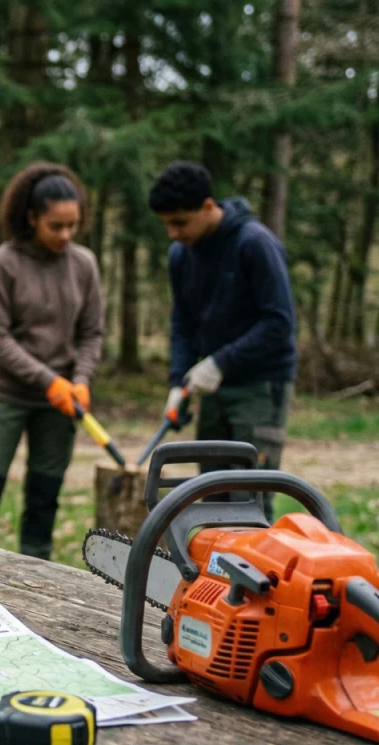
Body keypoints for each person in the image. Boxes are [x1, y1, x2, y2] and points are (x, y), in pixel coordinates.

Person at [0, 163, 104, 560]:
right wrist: (47, 380)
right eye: (56, 226)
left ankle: (37, 581)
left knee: (44, 499)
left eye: (73, 225)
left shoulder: (84, 264)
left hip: (61, 402)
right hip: (5, 394)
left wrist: (80, 379)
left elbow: (91, 333)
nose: (66, 235)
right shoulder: (2, 263)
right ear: (32, 217)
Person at [149, 161, 296, 511]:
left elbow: (279, 323)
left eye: (180, 222)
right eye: (166, 224)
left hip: (260, 386)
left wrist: (220, 362)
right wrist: (178, 381)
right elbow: (182, 322)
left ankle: (257, 567)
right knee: (211, 493)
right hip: (214, 387)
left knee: (249, 498)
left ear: (208, 207)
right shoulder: (181, 255)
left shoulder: (255, 244)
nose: (172, 233)